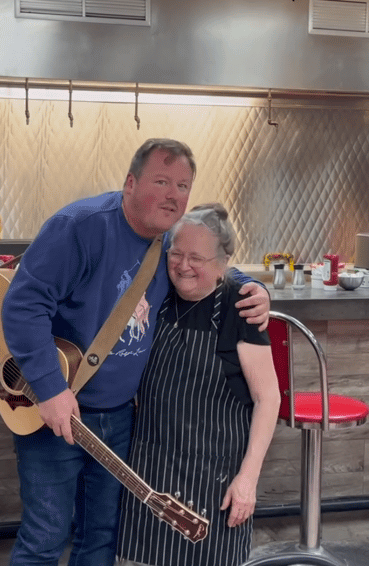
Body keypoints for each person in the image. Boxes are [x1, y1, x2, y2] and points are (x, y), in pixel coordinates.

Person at [1, 139, 271, 566]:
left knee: (101, 538)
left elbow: (204, 261)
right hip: (55, 411)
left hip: (119, 418)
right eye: (161, 181)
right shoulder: (82, 225)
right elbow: (22, 305)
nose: (173, 195)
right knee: (45, 537)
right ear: (129, 183)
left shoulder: (166, 241)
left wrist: (255, 288)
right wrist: (50, 389)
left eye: (183, 186)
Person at [117, 204, 279, 566]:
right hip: (151, 468)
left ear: (222, 263)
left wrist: (248, 479)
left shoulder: (241, 307)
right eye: (176, 253)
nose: (183, 265)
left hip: (214, 477)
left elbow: (268, 398)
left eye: (196, 258)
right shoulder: (157, 292)